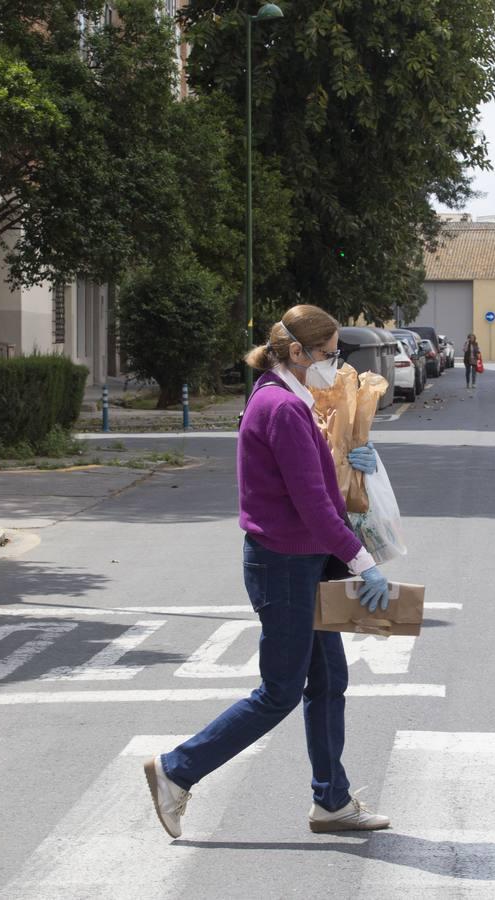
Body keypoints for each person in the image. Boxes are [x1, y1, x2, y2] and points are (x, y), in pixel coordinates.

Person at [144, 304, 392, 839]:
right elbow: (313, 505)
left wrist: (357, 460)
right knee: (280, 690)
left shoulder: (287, 399)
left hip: (304, 560)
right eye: (328, 355)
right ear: (298, 353)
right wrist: (363, 561)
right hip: (283, 565)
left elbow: (320, 485)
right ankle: (176, 770)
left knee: (328, 680)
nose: (334, 364)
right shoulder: (280, 408)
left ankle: (332, 802)